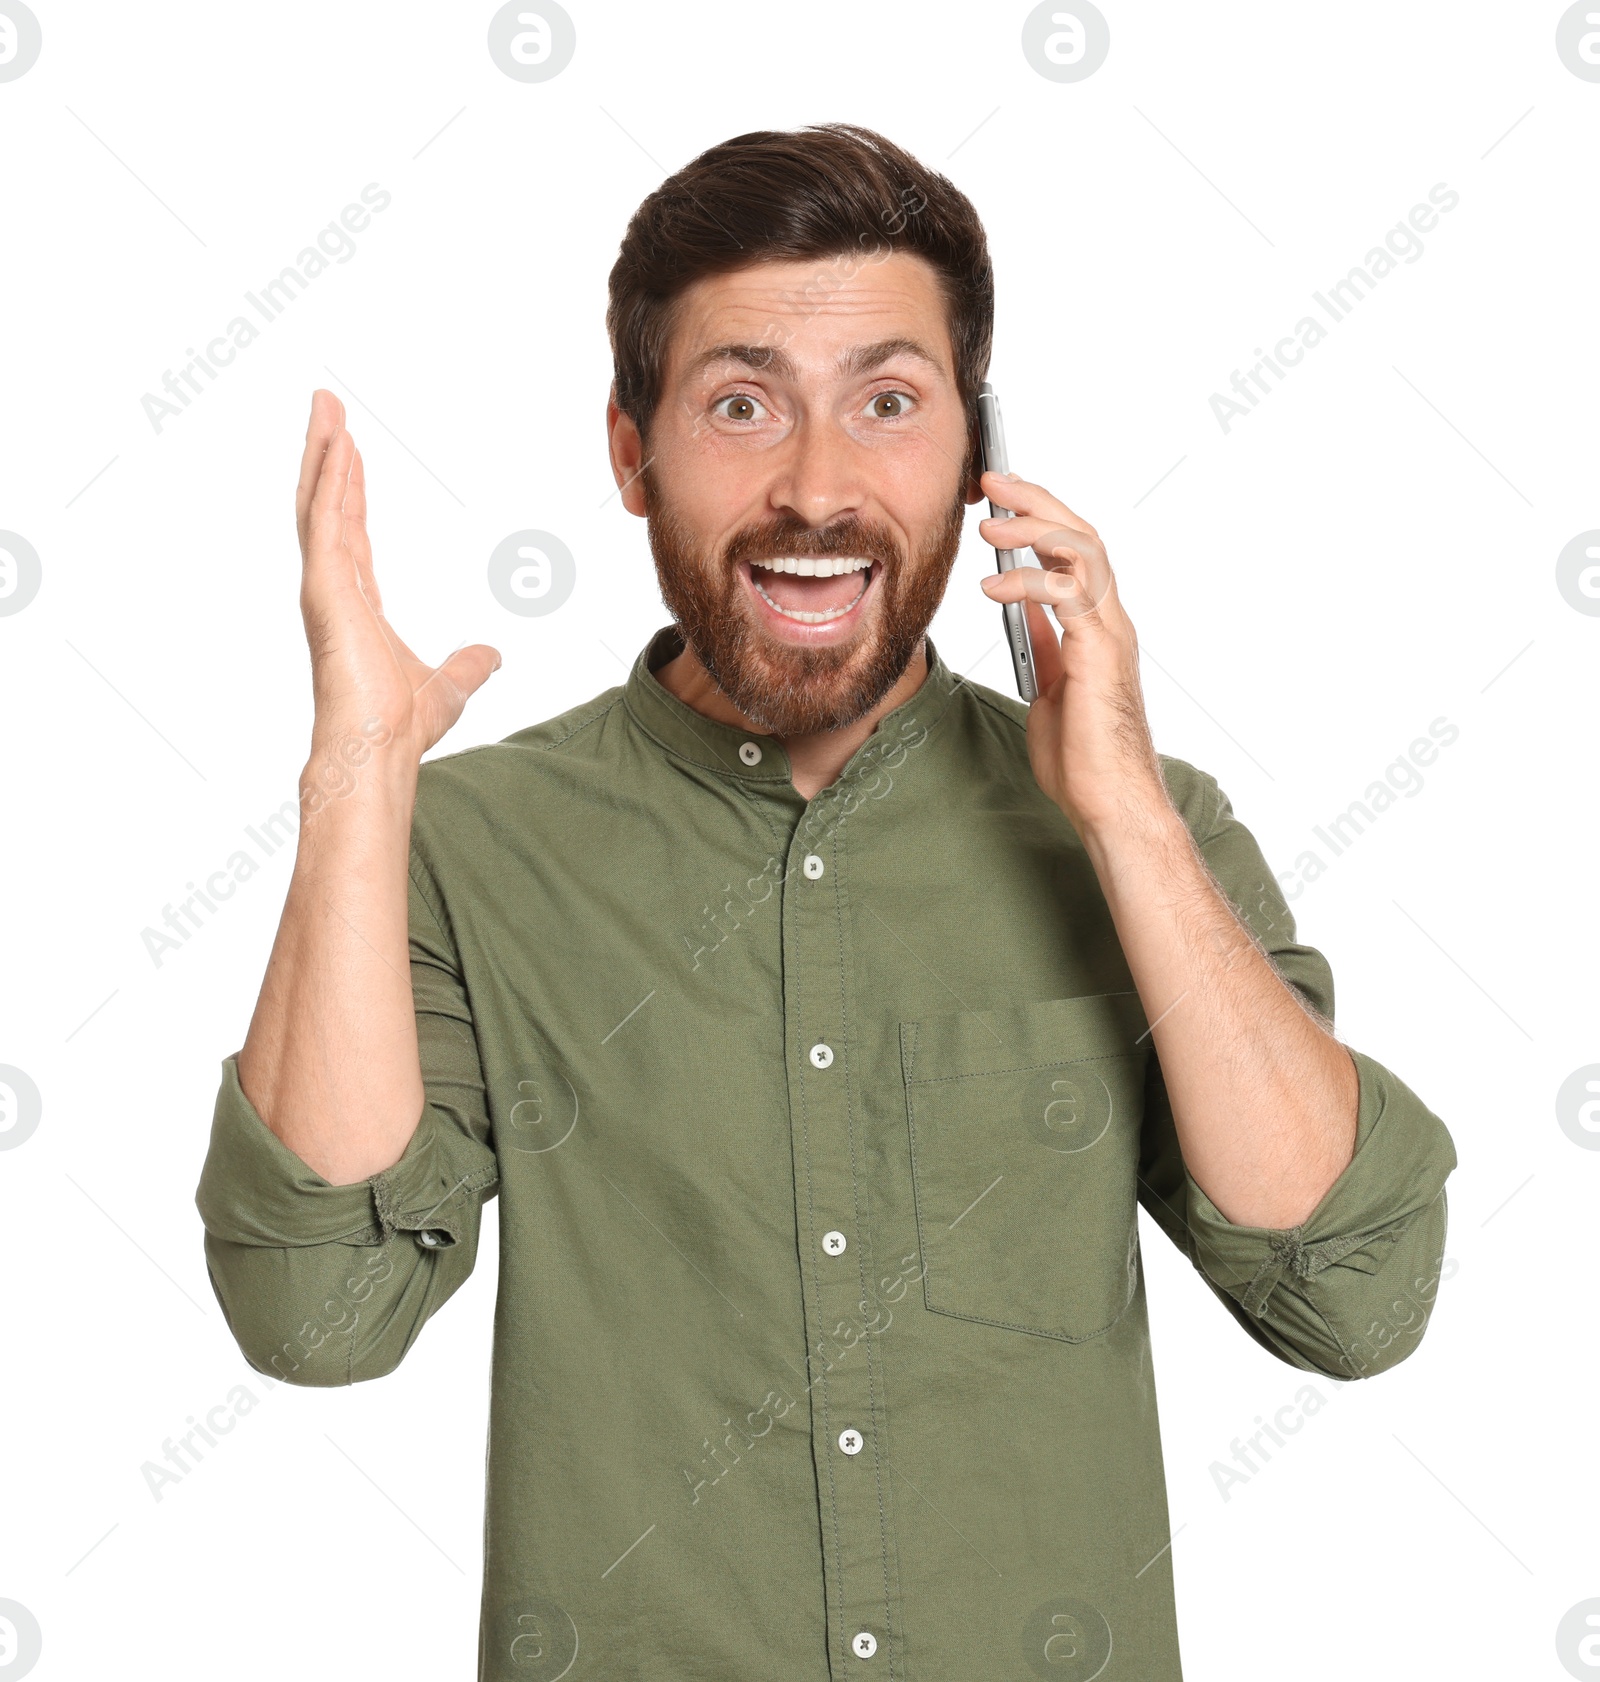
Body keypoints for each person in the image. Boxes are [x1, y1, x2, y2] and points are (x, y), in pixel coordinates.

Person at [196, 123, 1457, 1680]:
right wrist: (353, 780)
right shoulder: (462, 844)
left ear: (973, 445)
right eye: (740, 404)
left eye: (888, 401)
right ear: (628, 447)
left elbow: (1359, 1295)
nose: (817, 486)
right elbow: (322, 1316)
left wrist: (1122, 812)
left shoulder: (1144, 830)